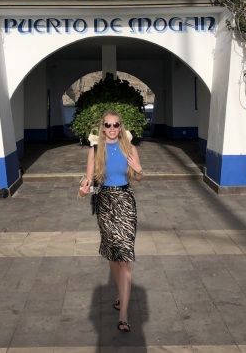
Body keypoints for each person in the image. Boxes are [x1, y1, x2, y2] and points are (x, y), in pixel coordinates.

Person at [79, 110, 144, 333]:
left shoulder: (129, 149)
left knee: (124, 257)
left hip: (125, 203)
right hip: (105, 203)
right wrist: (83, 190)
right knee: (112, 254)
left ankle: (123, 315)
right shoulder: (96, 150)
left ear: (120, 127)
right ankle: (120, 293)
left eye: (116, 124)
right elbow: (88, 180)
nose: (112, 128)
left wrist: (139, 171)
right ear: (103, 128)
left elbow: (139, 177)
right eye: (108, 125)